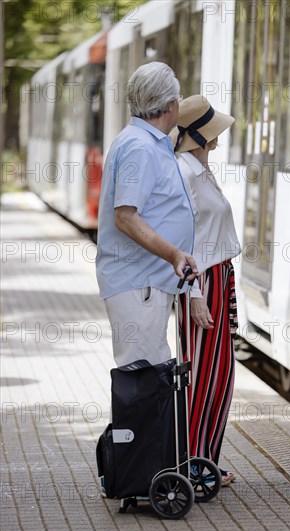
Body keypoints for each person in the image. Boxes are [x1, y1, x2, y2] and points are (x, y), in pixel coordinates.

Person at [96, 62, 197, 367]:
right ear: (170, 104)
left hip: (146, 284)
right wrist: (175, 254)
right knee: (143, 380)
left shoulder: (144, 142)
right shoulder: (140, 147)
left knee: (147, 377)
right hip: (139, 284)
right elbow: (125, 216)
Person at [171, 95, 241, 486]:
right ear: (197, 135)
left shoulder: (199, 168)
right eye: (211, 131)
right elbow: (184, 235)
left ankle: (206, 458)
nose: (217, 138)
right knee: (200, 375)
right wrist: (194, 293)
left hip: (219, 278)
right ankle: (193, 464)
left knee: (220, 375)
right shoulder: (183, 172)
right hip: (202, 281)